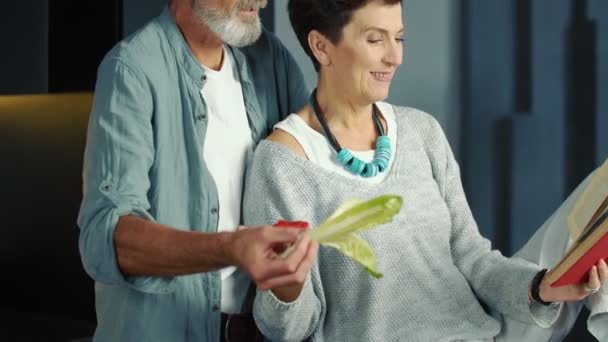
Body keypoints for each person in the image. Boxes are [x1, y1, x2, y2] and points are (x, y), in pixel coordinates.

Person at [242, 0, 607, 341]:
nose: (394, 57)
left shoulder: (421, 131)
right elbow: (290, 328)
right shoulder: (283, 164)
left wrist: (539, 289)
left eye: (398, 38)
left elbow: (473, 259)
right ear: (322, 47)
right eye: (375, 40)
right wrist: (285, 288)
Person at [77, 0, 316, 341]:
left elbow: (316, 168)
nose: (262, 0)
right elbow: (109, 238)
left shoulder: (271, 58)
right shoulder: (131, 68)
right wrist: (229, 248)